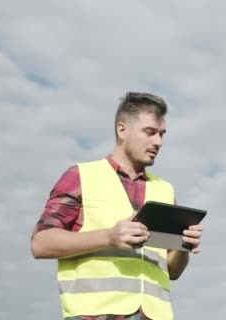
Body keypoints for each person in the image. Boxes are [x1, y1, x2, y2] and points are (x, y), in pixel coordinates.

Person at [31, 92, 204, 320]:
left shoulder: (165, 190)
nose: (158, 142)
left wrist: (184, 247)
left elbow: (172, 271)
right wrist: (110, 237)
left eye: (162, 135)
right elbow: (40, 244)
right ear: (122, 130)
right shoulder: (82, 175)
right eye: (150, 132)